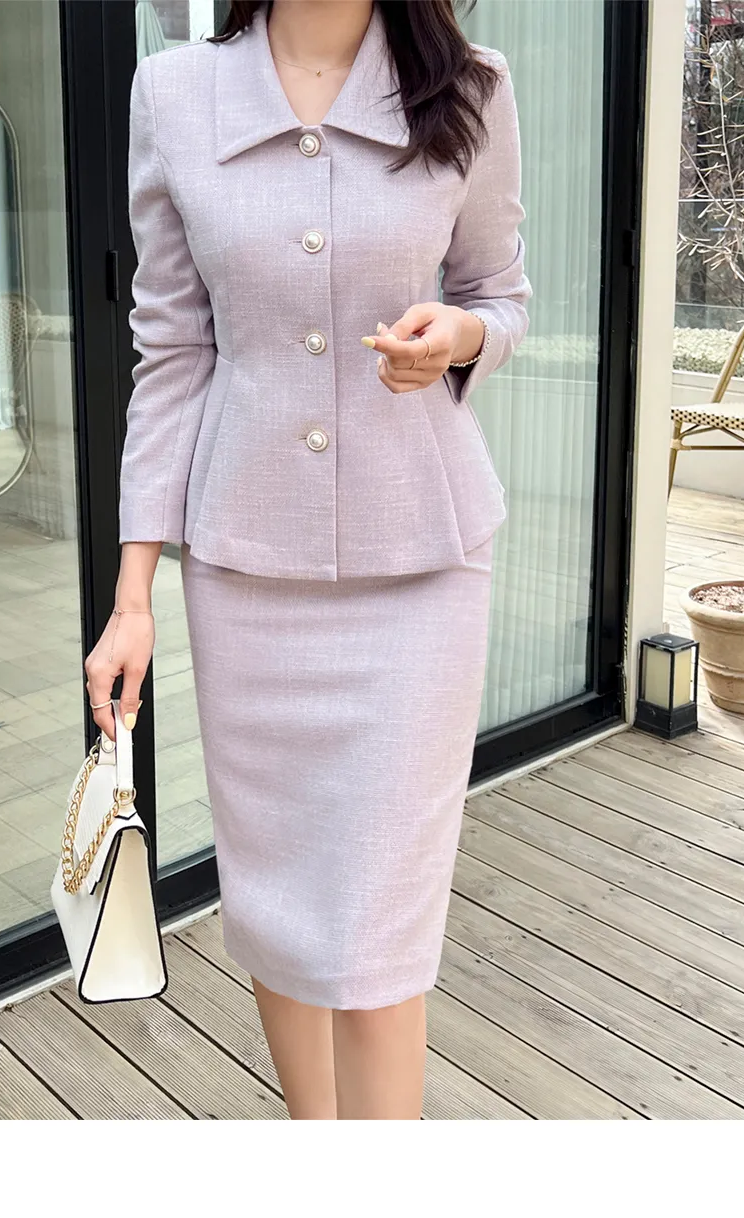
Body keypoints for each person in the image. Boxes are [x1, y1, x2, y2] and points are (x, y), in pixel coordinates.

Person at [83, 0, 531, 1120]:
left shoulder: (469, 88)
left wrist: (460, 339)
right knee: (279, 909)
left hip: (421, 564)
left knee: (379, 930)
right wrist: (132, 594)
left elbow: (499, 296)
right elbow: (171, 351)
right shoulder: (175, 94)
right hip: (248, 575)